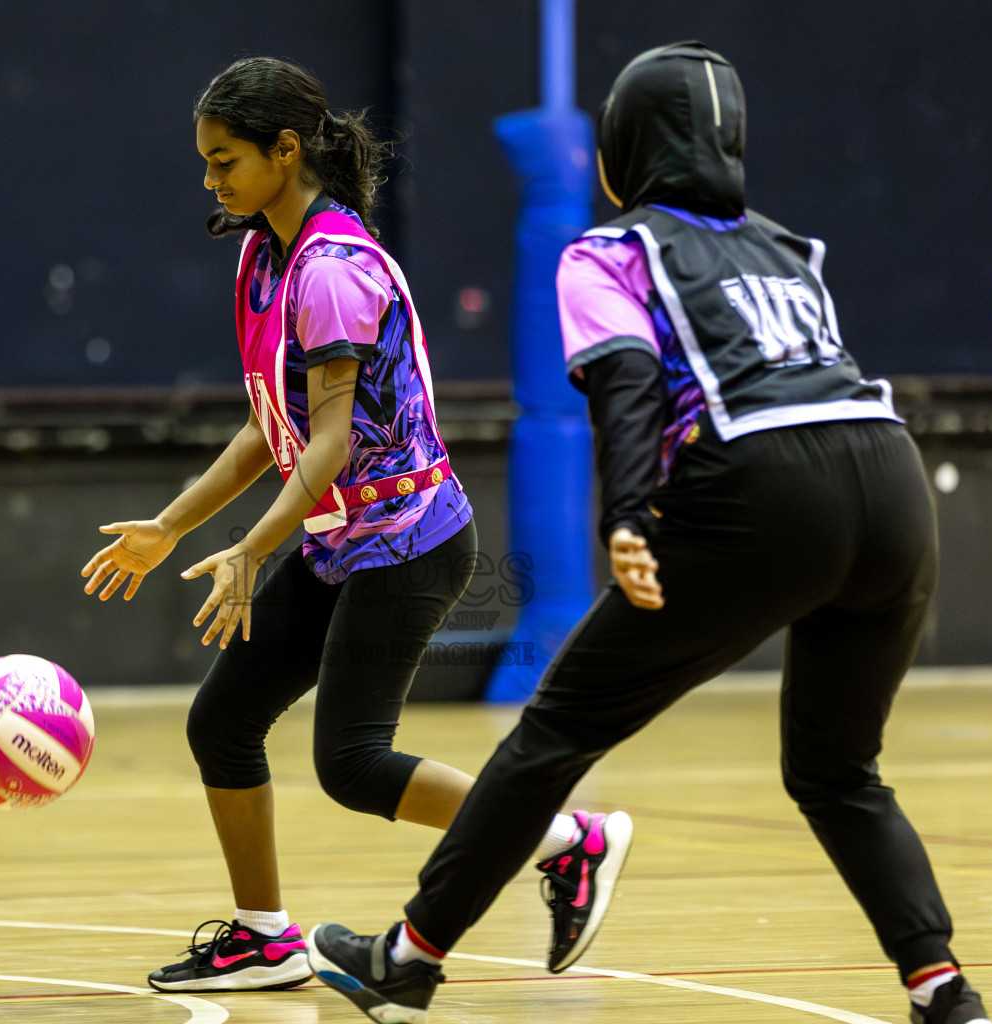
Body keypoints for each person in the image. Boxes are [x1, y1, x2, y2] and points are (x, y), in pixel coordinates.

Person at [308, 42, 992, 1024]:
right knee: (840, 769)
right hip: (894, 486)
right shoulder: (790, 248)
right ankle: (945, 991)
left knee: (554, 731)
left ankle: (407, 959)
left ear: (620, 149)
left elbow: (628, 388)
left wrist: (627, 516)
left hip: (762, 491)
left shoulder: (608, 250)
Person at [80, 56, 618, 993]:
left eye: (225, 161)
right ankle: (264, 938)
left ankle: (567, 838)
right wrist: (170, 527)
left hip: (410, 543)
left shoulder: (334, 270)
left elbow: (326, 442)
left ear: (285, 152)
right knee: (225, 721)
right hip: (341, 541)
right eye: (205, 163)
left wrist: (252, 547)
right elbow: (268, 427)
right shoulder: (261, 256)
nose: (210, 182)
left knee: (354, 764)